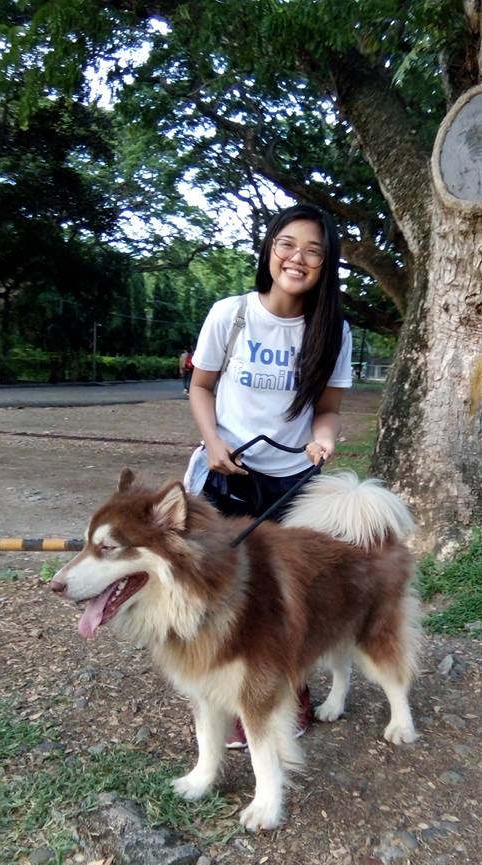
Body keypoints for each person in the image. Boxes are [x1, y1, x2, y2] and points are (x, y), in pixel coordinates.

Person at [186, 203, 352, 747]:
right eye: (287, 243)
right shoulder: (230, 313)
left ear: (326, 265)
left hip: (292, 483)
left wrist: (323, 437)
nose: (297, 258)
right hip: (227, 474)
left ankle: (292, 688)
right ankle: (229, 689)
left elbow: (326, 408)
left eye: (313, 250)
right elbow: (201, 387)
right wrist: (213, 443)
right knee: (226, 586)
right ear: (269, 249)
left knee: (290, 592)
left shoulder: (333, 331)